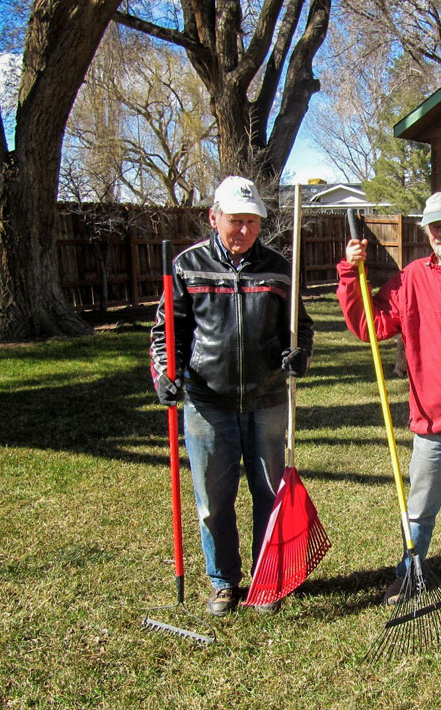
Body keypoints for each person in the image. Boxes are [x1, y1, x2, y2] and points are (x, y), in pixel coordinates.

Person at [336, 191, 441, 611]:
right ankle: (409, 575)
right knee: (419, 509)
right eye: (436, 225)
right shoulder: (411, 278)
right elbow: (370, 325)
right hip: (433, 419)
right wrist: (349, 274)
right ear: (427, 233)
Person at [150, 176, 314, 616]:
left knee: (269, 494)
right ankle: (223, 581)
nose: (243, 230)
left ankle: (267, 580)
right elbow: (167, 333)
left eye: (252, 222)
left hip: (267, 401)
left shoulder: (278, 268)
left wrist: (298, 356)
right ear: (214, 217)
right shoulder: (188, 266)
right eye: (235, 221)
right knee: (213, 501)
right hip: (208, 402)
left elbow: (300, 328)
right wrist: (166, 373)